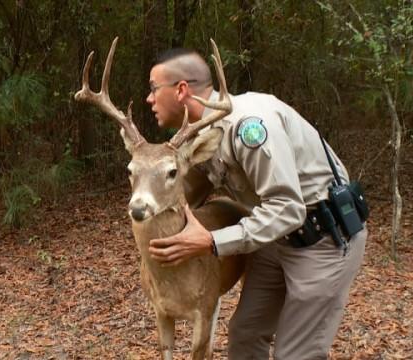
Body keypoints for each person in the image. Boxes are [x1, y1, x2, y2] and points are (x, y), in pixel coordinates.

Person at [146, 47, 367, 359]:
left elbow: (289, 207)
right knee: (245, 336)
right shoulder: (201, 136)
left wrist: (212, 241)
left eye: (154, 89)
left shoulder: (249, 126)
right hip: (274, 237)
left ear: (181, 90)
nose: (149, 99)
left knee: (296, 353)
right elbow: (180, 197)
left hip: (323, 239)